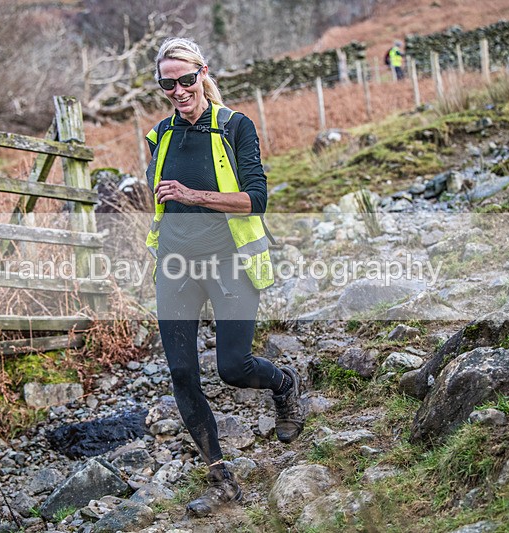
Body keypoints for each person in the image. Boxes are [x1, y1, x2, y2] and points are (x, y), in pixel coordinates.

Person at [144, 37, 306, 518]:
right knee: (180, 371)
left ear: (203, 74)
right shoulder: (158, 136)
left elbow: (257, 198)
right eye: (166, 83)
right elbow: (159, 199)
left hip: (229, 259)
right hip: (175, 265)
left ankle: (284, 385)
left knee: (232, 368)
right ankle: (221, 477)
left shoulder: (235, 126)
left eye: (185, 79)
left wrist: (195, 196)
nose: (177, 90)